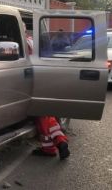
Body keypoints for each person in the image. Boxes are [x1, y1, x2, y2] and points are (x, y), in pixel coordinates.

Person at [24, 23, 70, 160]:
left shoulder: (25, 43)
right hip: (42, 78)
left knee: (43, 117)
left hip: (32, 81)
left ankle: (53, 146)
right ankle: (58, 142)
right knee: (46, 116)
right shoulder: (32, 40)